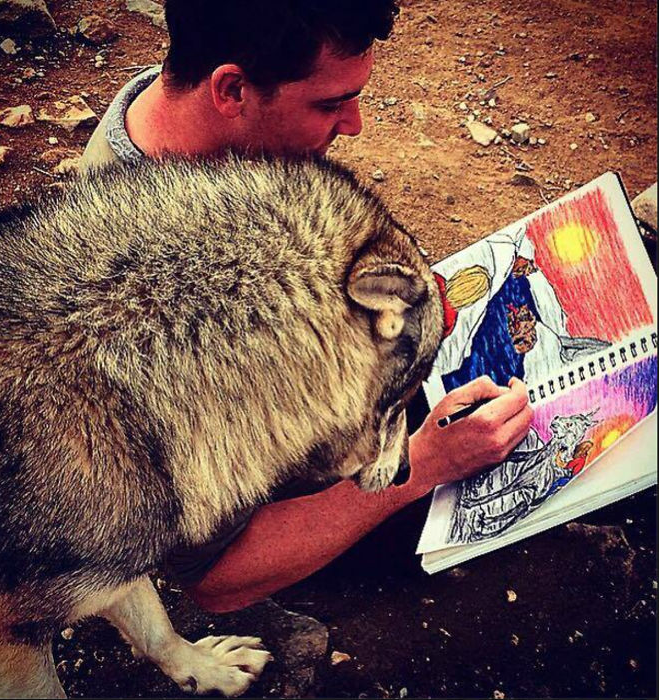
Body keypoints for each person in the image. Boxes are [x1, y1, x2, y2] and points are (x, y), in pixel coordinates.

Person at [80, 0, 533, 613]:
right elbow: (216, 579)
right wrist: (423, 467)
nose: (354, 125)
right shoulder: (184, 314)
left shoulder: (168, 115)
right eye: (329, 104)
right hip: (318, 506)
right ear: (232, 89)